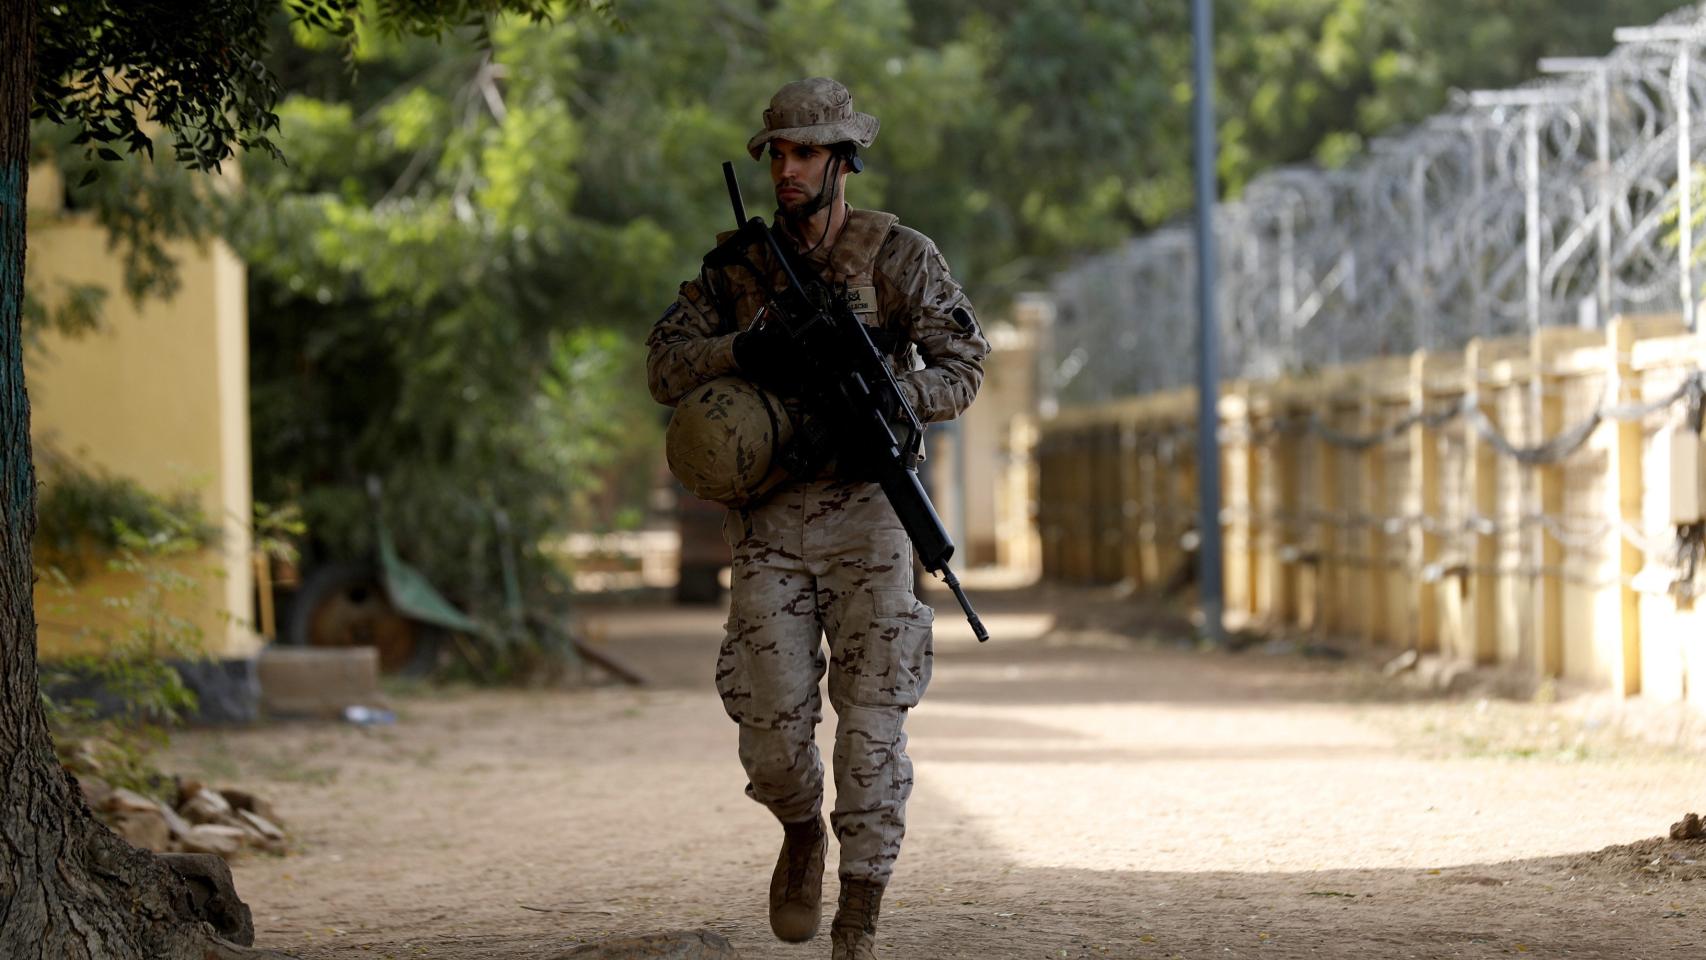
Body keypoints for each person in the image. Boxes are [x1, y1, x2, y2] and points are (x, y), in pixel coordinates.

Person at [646, 76, 989, 959]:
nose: (786, 170)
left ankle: (859, 919)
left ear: (843, 161)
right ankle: (801, 834)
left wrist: (889, 396)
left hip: (872, 517)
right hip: (771, 522)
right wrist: (740, 349)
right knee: (768, 729)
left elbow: (964, 365)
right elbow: (664, 366)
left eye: (804, 153)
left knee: (873, 730)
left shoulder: (900, 255)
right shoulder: (737, 270)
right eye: (777, 154)